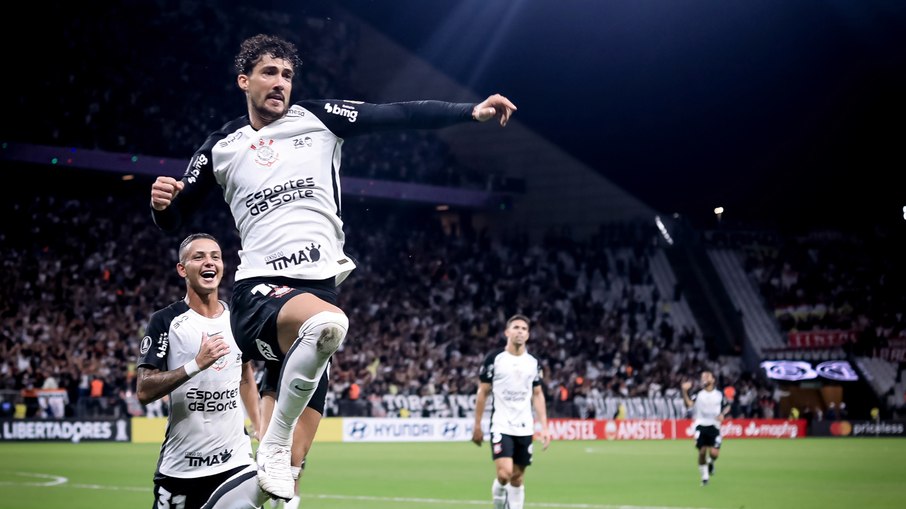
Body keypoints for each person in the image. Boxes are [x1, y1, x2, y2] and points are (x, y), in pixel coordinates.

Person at [150, 33, 517, 501]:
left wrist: (469, 111)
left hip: (318, 290)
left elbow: (397, 114)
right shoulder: (222, 146)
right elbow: (175, 217)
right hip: (260, 292)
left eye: (286, 74)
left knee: (282, 485)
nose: (280, 82)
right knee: (327, 327)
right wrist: (163, 206)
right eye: (269, 72)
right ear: (244, 81)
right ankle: (274, 441)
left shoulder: (319, 119)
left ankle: (267, 464)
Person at [135, 233, 265, 509]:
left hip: (236, 462)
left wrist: (259, 424)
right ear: (182, 269)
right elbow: (144, 390)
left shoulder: (238, 318)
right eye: (199, 257)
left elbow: (245, 376)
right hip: (183, 468)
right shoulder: (166, 321)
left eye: (215, 256)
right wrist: (196, 364)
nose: (209, 262)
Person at [471, 314, 551, 509]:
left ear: (528, 335)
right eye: (516, 327)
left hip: (525, 426)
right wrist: (477, 425)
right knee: (504, 474)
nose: (520, 332)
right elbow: (482, 393)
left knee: (517, 478)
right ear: (507, 332)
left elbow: (538, 394)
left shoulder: (533, 362)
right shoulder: (495, 359)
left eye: (524, 329)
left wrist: (545, 427)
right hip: (501, 424)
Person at [681, 370, 730, 487]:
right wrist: (684, 391)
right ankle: (704, 477)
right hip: (701, 425)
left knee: (714, 453)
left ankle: (711, 462)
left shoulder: (719, 394)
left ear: (713, 380)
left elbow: (727, 406)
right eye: (703, 377)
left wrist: (723, 414)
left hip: (714, 425)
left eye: (707, 376)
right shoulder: (698, 393)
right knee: (702, 451)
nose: (704, 378)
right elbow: (689, 404)